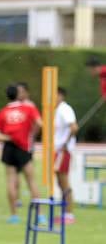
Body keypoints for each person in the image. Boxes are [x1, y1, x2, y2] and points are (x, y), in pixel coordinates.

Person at [0, 84, 43, 224]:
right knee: (31, 181)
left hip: (9, 148)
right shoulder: (29, 108)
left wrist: (9, 137)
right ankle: (40, 214)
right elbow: (39, 123)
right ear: (18, 95)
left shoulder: (3, 112)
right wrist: (32, 134)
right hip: (23, 147)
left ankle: (14, 216)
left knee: (11, 181)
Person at [53, 86, 78, 223]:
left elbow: (73, 127)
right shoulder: (56, 110)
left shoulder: (65, 109)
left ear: (61, 95)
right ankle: (65, 212)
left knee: (64, 181)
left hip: (63, 151)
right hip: (57, 150)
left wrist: (65, 143)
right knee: (59, 181)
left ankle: (69, 214)